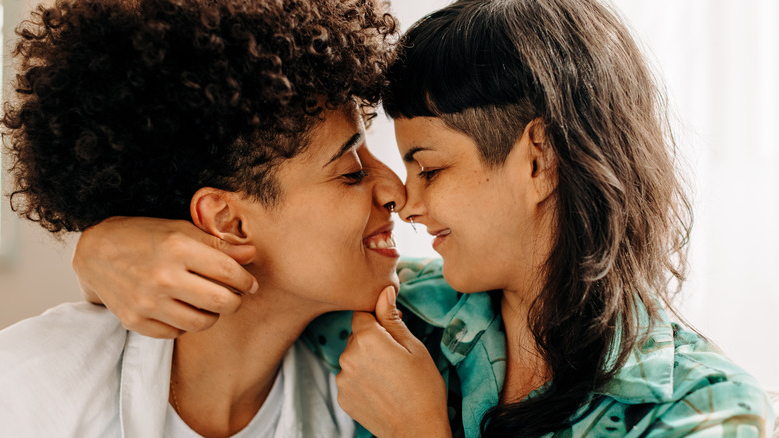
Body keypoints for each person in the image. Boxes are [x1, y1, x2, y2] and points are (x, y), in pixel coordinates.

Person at [70, 0, 776, 437]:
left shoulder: (706, 413)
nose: (404, 202)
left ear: (538, 161)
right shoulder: (399, 317)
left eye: (429, 169)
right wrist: (100, 250)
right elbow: (267, 285)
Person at [0, 0, 409, 436]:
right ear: (229, 222)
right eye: (351, 172)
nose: (396, 191)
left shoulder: (378, 393)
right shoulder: (25, 393)